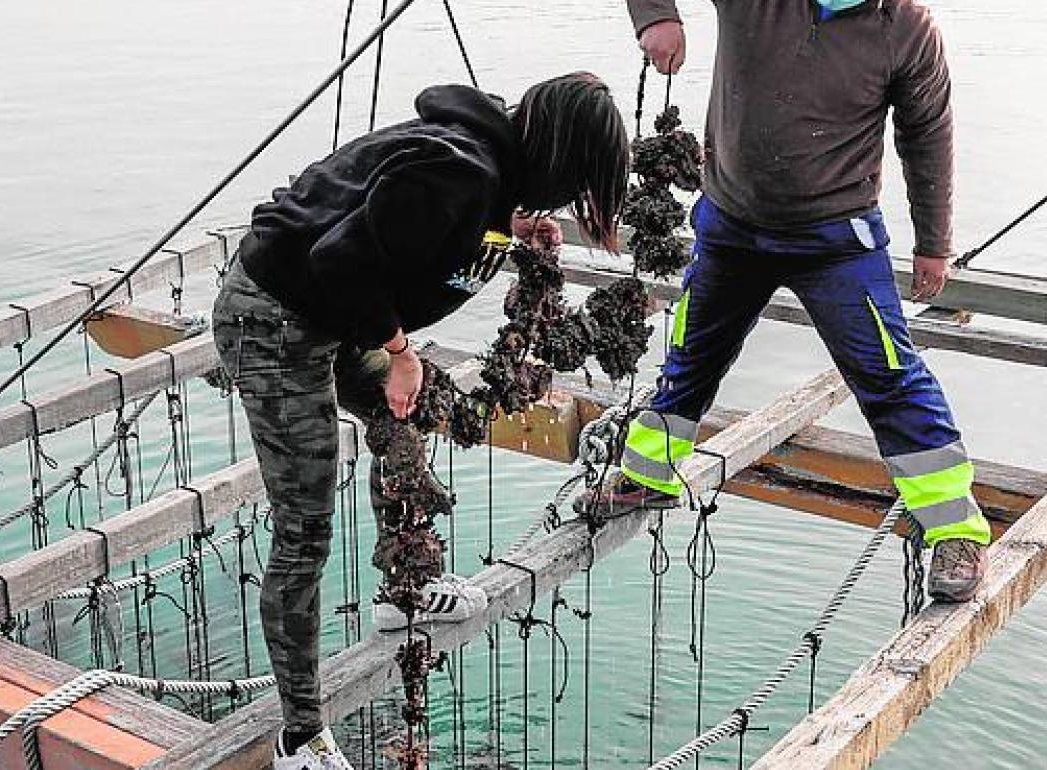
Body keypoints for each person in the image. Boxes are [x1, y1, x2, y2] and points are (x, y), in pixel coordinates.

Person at [211, 72, 630, 770]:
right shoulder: (460, 170)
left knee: (406, 409)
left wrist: (516, 230)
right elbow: (337, 256)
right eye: (579, 180)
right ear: (560, 154)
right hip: (274, 318)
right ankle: (299, 737)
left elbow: (429, 235)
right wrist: (400, 353)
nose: (570, 198)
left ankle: (401, 593)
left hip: (327, 316)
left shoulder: (493, 178)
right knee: (306, 524)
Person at [579, 0, 990, 604]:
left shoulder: (906, 25)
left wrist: (935, 244)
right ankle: (647, 475)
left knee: (891, 376)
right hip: (731, 228)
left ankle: (955, 528)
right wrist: (654, 17)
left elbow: (928, 134)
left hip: (837, 240)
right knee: (690, 357)